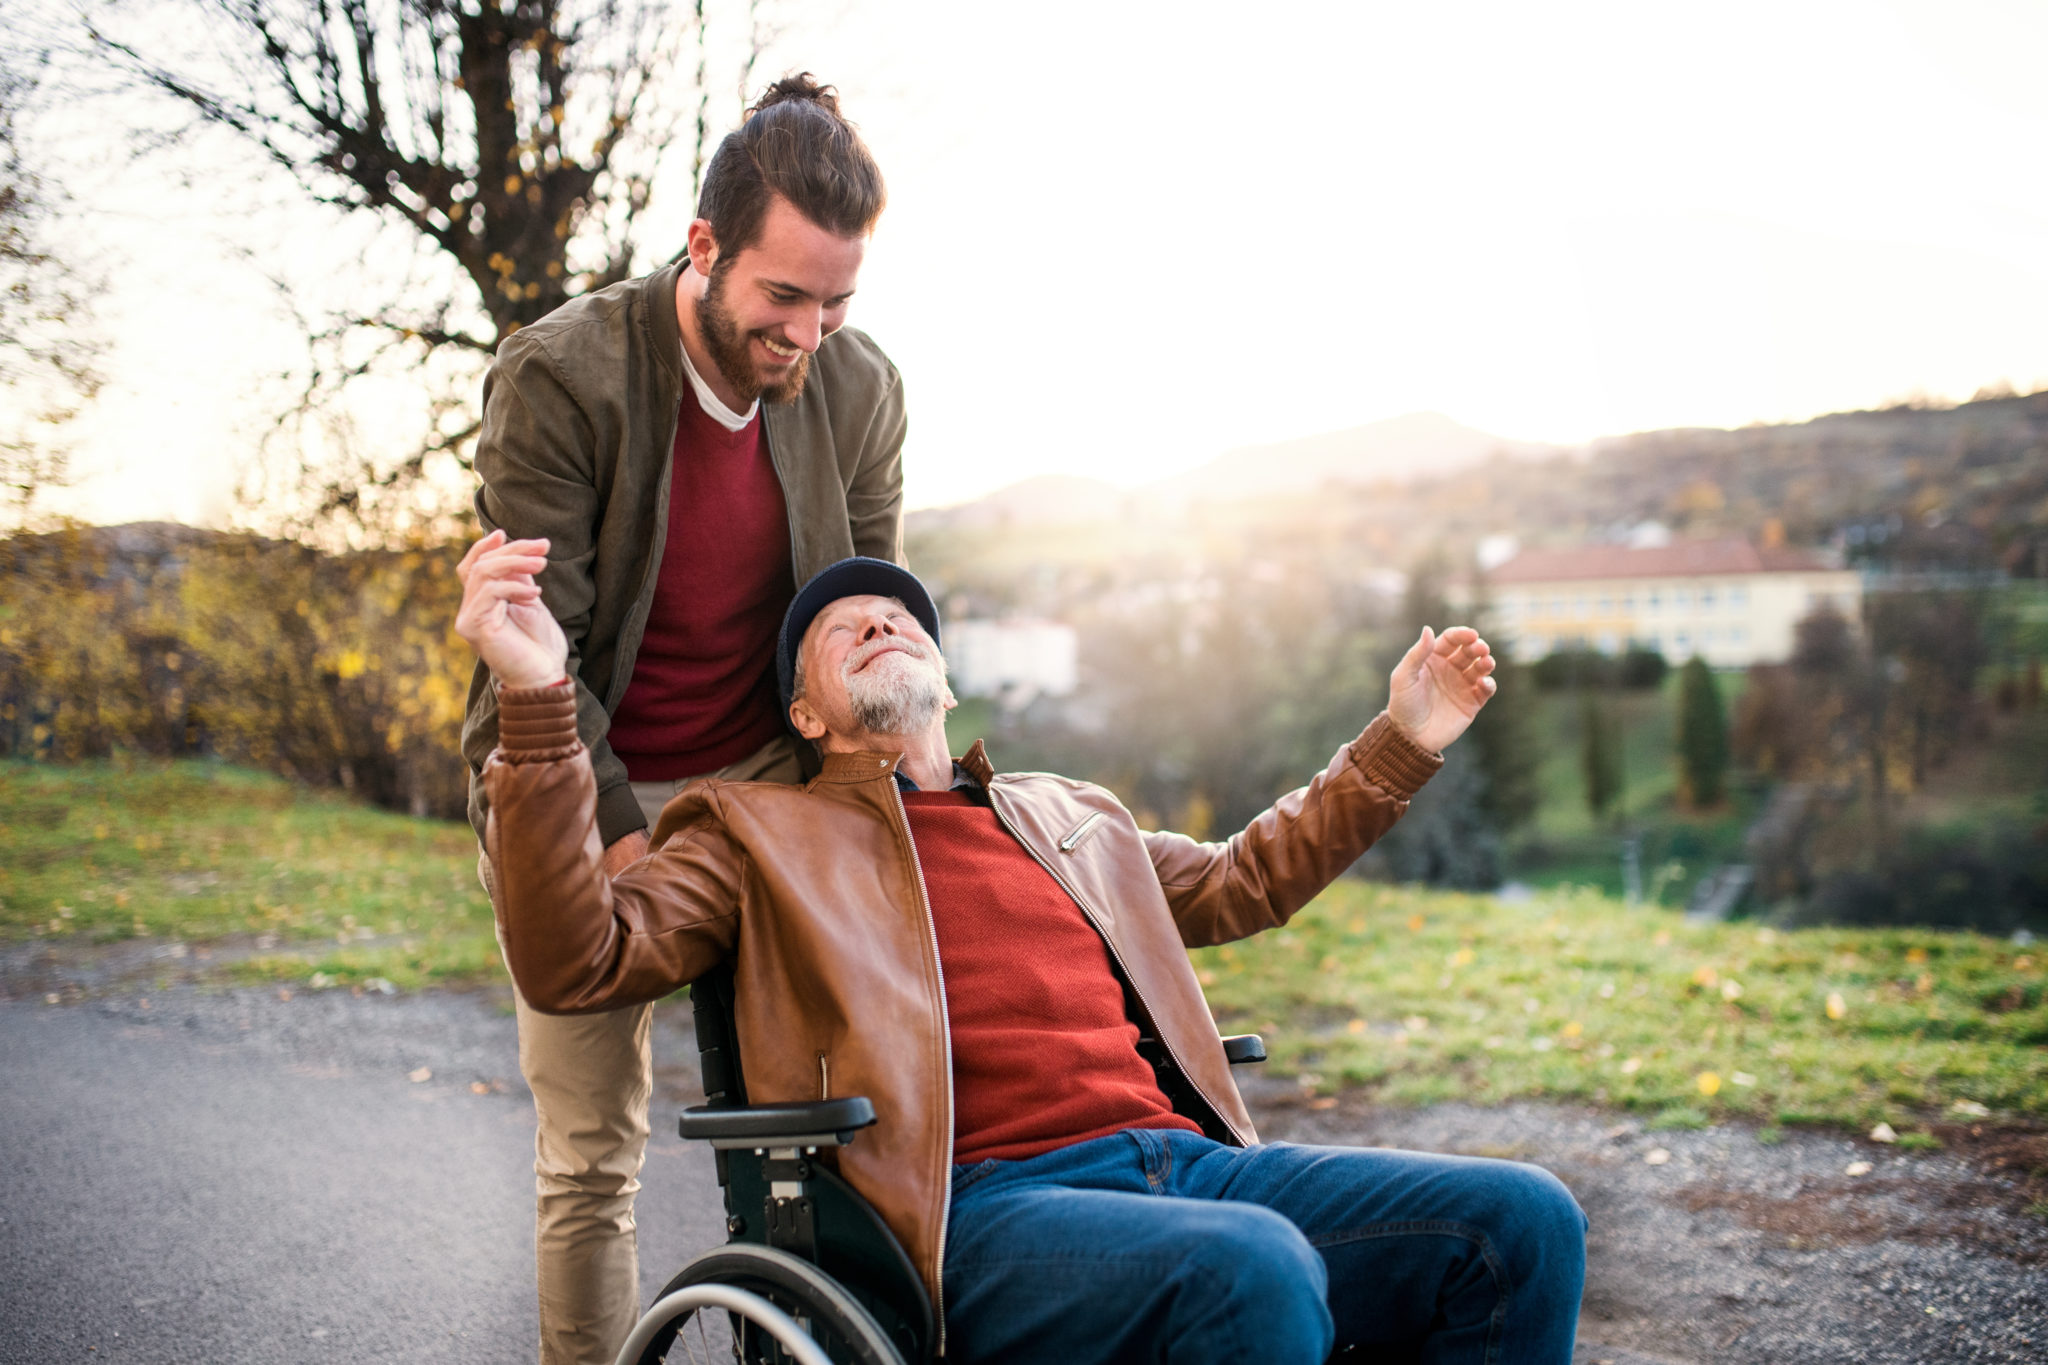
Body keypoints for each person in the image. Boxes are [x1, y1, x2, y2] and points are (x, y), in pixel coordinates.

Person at [458, 541, 1589, 1364]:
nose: (880, 622)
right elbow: (578, 963)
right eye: (841, 629)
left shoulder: (1068, 815)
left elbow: (1249, 876)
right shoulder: (756, 831)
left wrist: (1401, 744)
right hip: (973, 1208)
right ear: (805, 716)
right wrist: (536, 699)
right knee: (1250, 1268)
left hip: (1183, 1167)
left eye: (900, 618)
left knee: (1520, 1224)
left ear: (945, 681)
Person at [456, 74, 903, 1364]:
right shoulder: (562, 377)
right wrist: (615, 837)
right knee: (594, 1143)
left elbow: (866, 619)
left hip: (762, 766)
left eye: (836, 304)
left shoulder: (860, 389)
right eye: (782, 298)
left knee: (828, 1117)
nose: (807, 336)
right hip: (571, 763)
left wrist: (897, 788)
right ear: (703, 248)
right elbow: (540, 661)